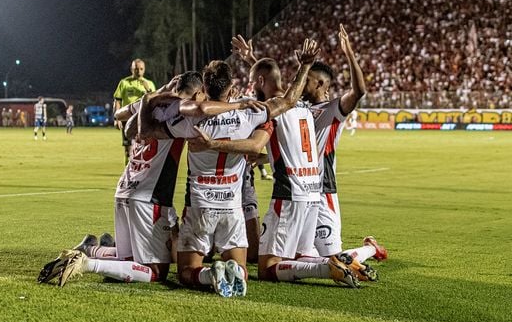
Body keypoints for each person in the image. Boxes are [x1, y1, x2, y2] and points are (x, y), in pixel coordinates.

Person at [38, 71, 259, 286]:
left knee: (129, 260)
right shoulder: (182, 111)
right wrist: (239, 102)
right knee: (156, 272)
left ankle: (90, 249)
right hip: (149, 197)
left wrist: (154, 94)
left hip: (125, 189)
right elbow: (205, 109)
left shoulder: (152, 103)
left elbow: (120, 116)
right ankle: (87, 262)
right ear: (198, 92)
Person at [141, 39, 320, 297]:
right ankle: (231, 270)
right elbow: (289, 100)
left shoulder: (191, 119)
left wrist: (150, 101)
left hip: (200, 206)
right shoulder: (250, 112)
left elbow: (147, 131)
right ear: (231, 88)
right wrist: (304, 66)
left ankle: (208, 274)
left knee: (186, 273)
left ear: (204, 87)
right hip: (233, 209)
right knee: (241, 267)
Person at [189, 34, 360, 288]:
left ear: (259, 82)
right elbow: (279, 92)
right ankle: (333, 261)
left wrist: (214, 143)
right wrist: (252, 59)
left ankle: (326, 267)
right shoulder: (302, 107)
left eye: (252, 82)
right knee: (299, 256)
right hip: (314, 195)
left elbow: (259, 126)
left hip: (289, 194)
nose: (250, 88)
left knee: (267, 267)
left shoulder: (268, 107)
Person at [301, 25, 387, 270]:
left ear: (320, 84)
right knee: (298, 254)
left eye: (306, 79)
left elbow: (359, 91)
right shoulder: (298, 109)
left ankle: (370, 248)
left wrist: (349, 52)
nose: (300, 82)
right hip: (298, 191)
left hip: (323, 190)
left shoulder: (333, 110)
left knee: (336, 260)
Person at [113, 59, 156, 164]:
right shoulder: (124, 83)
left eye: (141, 69)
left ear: (144, 70)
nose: (139, 71)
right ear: (132, 69)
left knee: (145, 148)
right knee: (128, 150)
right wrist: (116, 119)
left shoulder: (149, 84)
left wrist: (148, 90)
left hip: (143, 120)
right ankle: (128, 174)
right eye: (136, 69)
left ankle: (141, 174)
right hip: (127, 119)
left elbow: (155, 102)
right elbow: (117, 101)